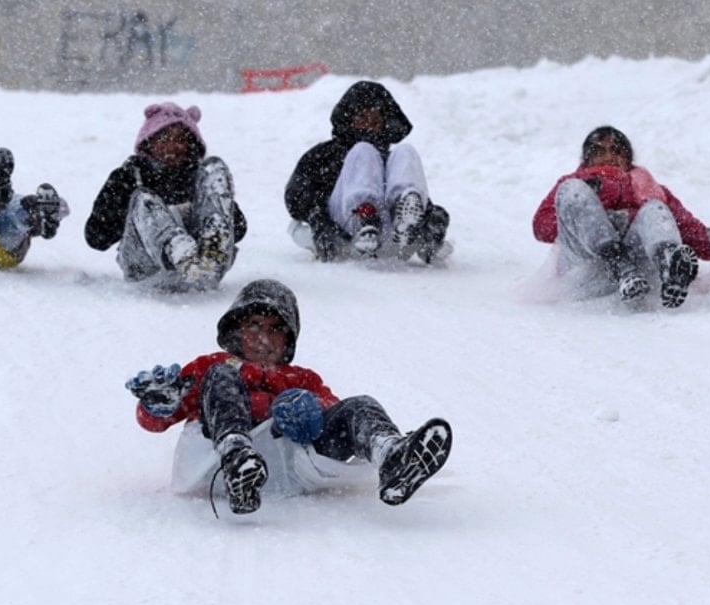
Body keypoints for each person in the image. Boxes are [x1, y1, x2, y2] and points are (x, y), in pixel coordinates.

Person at [125, 279, 453, 516]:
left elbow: (331, 411)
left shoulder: (303, 378)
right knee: (223, 378)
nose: (263, 338)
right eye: (254, 325)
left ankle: (392, 456)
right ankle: (238, 455)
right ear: (236, 330)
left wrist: (309, 412)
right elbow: (158, 421)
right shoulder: (214, 365)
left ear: (289, 338)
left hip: (290, 467)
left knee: (359, 406)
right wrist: (158, 404)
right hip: (219, 464)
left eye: (275, 328)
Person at [532, 126, 710, 307]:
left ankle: (668, 267)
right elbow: (542, 228)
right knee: (571, 192)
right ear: (587, 159)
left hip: (639, 274)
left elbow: (684, 226)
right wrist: (591, 210)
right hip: (586, 269)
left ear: (628, 159)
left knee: (655, 208)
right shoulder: (574, 183)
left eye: (616, 150)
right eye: (599, 151)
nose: (608, 156)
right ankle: (618, 263)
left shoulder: (648, 186)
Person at [84, 102, 247, 291]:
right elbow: (96, 238)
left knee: (215, 168)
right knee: (144, 199)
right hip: (147, 271)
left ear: (191, 145)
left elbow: (240, 229)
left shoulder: (200, 178)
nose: (172, 146)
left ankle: (212, 246)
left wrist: (208, 211)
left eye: (180, 139)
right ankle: (176, 249)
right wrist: (122, 203)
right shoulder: (129, 176)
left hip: (204, 269)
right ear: (149, 141)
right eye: (163, 137)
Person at [285, 80, 451, 264]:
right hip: (344, 229)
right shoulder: (326, 154)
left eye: (375, 121)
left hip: (392, 234)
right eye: (362, 119)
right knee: (363, 150)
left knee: (406, 151)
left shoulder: (391, 159)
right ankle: (364, 217)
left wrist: (432, 217)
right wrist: (318, 217)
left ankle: (404, 223)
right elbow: (296, 196)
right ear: (348, 120)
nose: (369, 126)